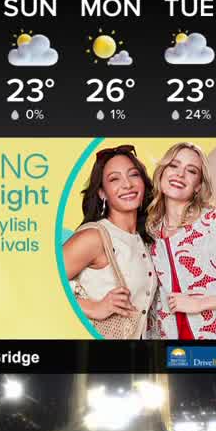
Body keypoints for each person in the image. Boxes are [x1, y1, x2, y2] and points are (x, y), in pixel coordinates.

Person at [144, 142, 216, 339]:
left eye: (191, 170)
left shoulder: (213, 223)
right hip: (173, 354)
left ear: (198, 186)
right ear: (161, 172)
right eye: (174, 165)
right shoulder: (149, 231)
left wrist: (201, 303)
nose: (180, 174)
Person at [61, 144, 157, 338]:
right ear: (102, 193)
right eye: (114, 179)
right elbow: (42, 282)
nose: (127, 184)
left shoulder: (144, 239)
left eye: (134, 175)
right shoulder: (95, 237)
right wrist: (94, 307)